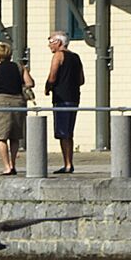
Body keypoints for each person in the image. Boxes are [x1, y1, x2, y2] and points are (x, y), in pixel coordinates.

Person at [0, 38, 32, 173]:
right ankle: (13, 164)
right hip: (18, 101)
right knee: (15, 136)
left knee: (2, 136)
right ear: (10, 54)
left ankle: (7, 166)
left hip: (1, 102)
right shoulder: (19, 67)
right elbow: (30, 83)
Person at [44, 32, 87, 174]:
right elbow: (81, 80)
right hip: (74, 97)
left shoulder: (58, 56)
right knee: (69, 131)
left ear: (58, 42)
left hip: (61, 97)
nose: (49, 44)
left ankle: (67, 164)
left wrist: (48, 88)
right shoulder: (76, 57)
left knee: (62, 132)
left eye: (50, 41)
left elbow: (52, 76)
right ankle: (69, 162)